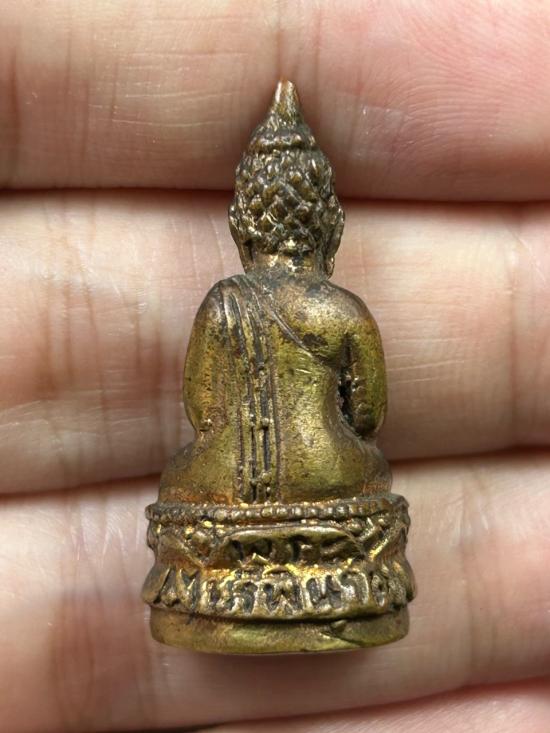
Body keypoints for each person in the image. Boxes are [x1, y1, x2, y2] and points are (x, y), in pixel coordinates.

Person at [1, 1, 549, 731]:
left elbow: (203, 411)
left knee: (183, 477)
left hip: (222, 495)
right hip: (334, 489)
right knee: (370, 473)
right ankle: (339, 588)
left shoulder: (221, 302)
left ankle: (219, 589)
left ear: (244, 222)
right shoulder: (342, 308)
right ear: (327, 223)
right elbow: (368, 415)